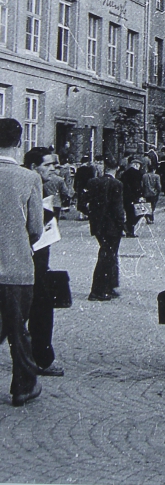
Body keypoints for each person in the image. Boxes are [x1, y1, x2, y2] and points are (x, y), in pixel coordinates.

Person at [0, 119, 44, 406]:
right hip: (16, 266)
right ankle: (23, 386)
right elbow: (36, 228)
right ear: (18, 142)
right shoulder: (29, 178)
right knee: (18, 329)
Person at [22, 148, 65, 378]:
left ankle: (41, 357)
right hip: (29, 262)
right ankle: (43, 359)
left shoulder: (42, 188)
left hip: (38, 262)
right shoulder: (28, 187)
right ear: (33, 167)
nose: (53, 169)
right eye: (47, 165)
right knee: (40, 309)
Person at [86, 154, 125, 301]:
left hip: (98, 226)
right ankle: (98, 290)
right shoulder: (117, 184)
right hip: (112, 227)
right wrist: (122, 224)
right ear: (117, 168)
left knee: (108, 255)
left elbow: (84, 202)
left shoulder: (93, 182)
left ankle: (109, 286)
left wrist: (93, 217)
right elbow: (117, 208)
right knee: (107, 257)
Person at [120, 156, 144, 237]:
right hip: (134, 196)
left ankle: (128, 229)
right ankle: (128, 228)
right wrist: (140, 195)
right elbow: (137, 186)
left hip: (125, 196)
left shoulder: (125, 173)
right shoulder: (137, 174)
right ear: (136, 165)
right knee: (137, 214)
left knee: (129, 213)